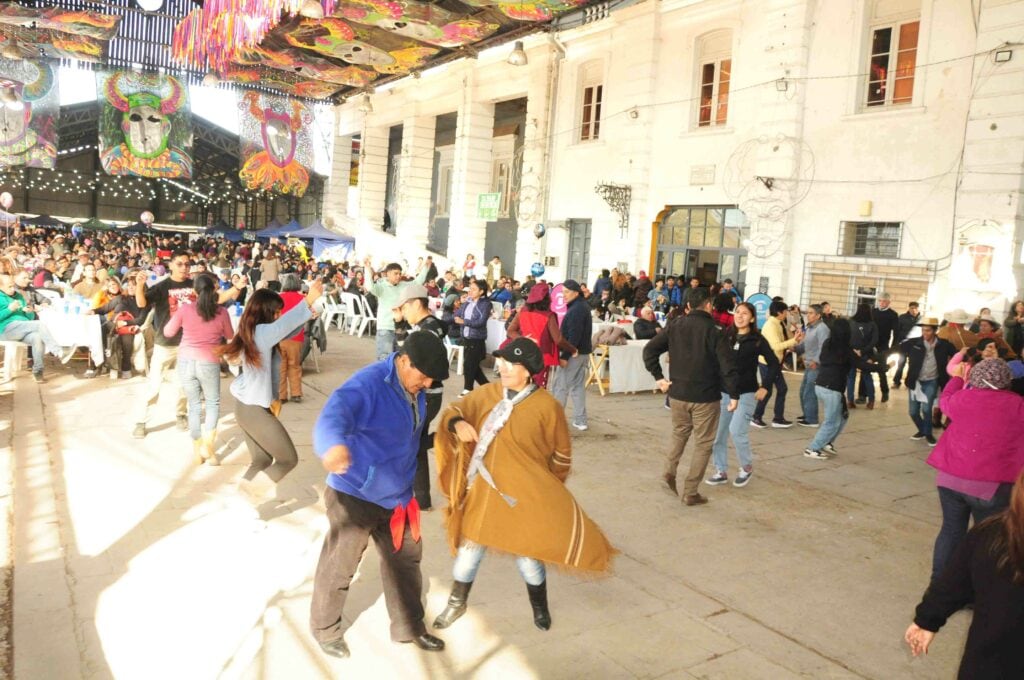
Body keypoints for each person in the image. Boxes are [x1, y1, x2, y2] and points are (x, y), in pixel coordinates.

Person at [432, 337, 615, 632]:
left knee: (528, 558)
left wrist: (544, 491)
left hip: (523, 496)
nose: (502, 367)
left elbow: (561, 456)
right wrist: (457, 424)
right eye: (502, 361)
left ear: (528, 371)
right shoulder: (489, 392)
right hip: (484, 492)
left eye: (510, 363)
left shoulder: (547, 407)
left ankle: (539, 607)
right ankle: (456, 603)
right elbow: (455, 408)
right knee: (469, 553)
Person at [309, 331, 449, 659]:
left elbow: (412, 434)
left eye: (433, 379)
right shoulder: (369, 384)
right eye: (424, 376)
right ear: (403, 361)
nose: (428, 384)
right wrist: (332, 445)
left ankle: (409, 627)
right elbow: (334, 415)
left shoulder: (417, 387)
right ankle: (325, 629)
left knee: (406, 562)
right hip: (354, 491)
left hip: (398, 493)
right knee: (340, 564)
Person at [905, 468, 1024, 676]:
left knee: (951, 531)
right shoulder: (992, 534)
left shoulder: (992, 532)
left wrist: (927, 620)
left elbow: (954, 581)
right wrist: (927, 619)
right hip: (992, 660)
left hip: (989, 662)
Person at [219, 280, 324, 501]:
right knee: (288, 459)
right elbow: (282, 327)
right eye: (276, 312)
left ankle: (240, 499)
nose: (278, 316)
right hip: (254, 411)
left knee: (262, 460)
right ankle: (249, 496)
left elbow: (283, 330)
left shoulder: (256, 332)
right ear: (267, 312)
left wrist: (308, 313)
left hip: (246, 408)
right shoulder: (262, 332)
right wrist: (309, 299)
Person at [924, 357, 1024, 581]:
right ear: (1007, 381)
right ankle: (978, 590)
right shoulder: (1017, 406)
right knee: (988, 539)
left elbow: (946, 398)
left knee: (950, 531)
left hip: (950, 480)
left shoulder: (962, 399)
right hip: (992, 486)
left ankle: (939, 585)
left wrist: (959, 377)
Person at [132, 251, 244, 438]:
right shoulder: (162, 286)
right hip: (164, 343)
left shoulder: (195, 285)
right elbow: (142, 303)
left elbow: (217, 300)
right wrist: (139, 285)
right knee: (153, 384)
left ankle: (181, 414)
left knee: (185, 384)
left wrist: (236, 288)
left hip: (187, 346)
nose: (184, 267)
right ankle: (141, 420)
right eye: (179, 264)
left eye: (186, 264)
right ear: (171, 265)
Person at [643, 287, 738, 506]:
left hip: (677, 394)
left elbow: (649, 351)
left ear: (687, 306)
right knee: (704, 444)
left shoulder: (675, 325)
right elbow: (728, 366)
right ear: (708, 305)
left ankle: (669, 472)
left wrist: (659, 378)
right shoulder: (716, 330)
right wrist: (734, 393)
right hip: (705, 397)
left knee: (679, 434)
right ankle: (691, 491)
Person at [162, 273, 233, 465]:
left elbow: (168, 332)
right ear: (214, 290)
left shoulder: (185, 309)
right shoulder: (222, 312)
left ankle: (197, 450)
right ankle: (209, 447)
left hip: (186, 360)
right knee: (212, 404)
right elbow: (229, 334)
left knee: (193, 406)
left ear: (194, 291)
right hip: (209, 361)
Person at [706, 302, 776, 488]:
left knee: (737, 430)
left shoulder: (757, 340)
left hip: (746, 393)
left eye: (745, 313)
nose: (740, 316)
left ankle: (746, 467)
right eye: (737, 312)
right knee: (717, 434)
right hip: (724, 392)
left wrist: (765, 387)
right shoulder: (725, 336)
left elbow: (774, 363)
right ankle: (720, 471)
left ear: (752, 318)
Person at [393, 284, 449, 511]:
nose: (403, 313)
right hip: (424, 394)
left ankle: (443, 439)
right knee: (414, 443)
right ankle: (421, 498)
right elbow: (401, 351)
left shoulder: (428, 331)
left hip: (426, 395)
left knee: (412, 442)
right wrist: (399, 324)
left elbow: (404, 357)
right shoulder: (424, 327)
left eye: (404, 308)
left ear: (417, 303)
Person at [804, 319, 878, 459]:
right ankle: (812, 449)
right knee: (831, 421)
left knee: (843, 416)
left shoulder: (828, 344)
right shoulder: (845, 350)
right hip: (831, 388)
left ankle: (827, 442)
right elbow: (862, 365)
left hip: (822, 385)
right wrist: (883, 367)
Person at [0, 272, 71, 383]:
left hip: (22, 327)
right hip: (6, 329)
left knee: (37, 337)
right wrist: (9, 309)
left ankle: (38, 371)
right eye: (9, 286)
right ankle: (59, 352)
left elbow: (29, 317)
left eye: (13, 285)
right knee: (39, 324)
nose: (13, 288)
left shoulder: (18, 296)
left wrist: (29, 312)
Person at [504, 282, 575, 388]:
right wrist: (572, 349)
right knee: (538, 389)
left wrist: (523, 339)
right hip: (542, 357)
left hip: (523, 355)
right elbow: (558, 339)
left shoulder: (522, 312)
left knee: (523, 386)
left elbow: (510, 331)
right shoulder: (548, 316)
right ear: (547, 298)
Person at [901, 317, 957, 446]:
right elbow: (895, 349)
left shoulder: (944, 344)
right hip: (915, 381)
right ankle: (923, 430)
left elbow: (958, 355)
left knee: (926, 409)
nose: (924, 333)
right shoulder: (913, 343)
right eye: (923, 330)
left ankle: (929, 434)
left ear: (935, 331)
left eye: (928, 331)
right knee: (913, 412)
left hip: (932, 380)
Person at [751, 301, 803, 428]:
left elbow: (783, 341)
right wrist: (793, 341)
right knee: (770, 390)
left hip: (773, 363)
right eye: (785, 312)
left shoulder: (777, 323)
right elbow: (775, 346)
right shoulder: (771, 325)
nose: (786, 314)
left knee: (778, 389)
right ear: (780, 312)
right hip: (767, 363)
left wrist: (793, 340)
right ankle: (760, 417)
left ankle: (774, 418)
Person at [551, 279, 592, 431]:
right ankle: (580, 420)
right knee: (577, 387)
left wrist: (565, 356)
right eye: (563, 293)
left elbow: (574, 337)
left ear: (576, 293)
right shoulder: (580, 306)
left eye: (567, 292)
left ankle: (555, 421)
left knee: (560, 386)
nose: (564, 295)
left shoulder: (577, 310)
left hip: (575, 354)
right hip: (581, 353)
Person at [366, 262, 428, 361]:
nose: (399, 276)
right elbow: (370, 287)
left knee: (400, 359)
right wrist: (367, 268)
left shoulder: (404, 286)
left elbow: (417, 282)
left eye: (400, 273)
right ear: (388, 273)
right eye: (396, 273)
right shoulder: (381, 287)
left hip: (401, 328)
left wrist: (426, 267)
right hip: (386, 328)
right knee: (384, 359)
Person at [794, 303, 830, 427]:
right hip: (808, 364)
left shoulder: (822, 328)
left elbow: (823, 347)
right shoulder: (810, 327)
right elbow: (805, 344)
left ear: (818, 315)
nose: (807, 315)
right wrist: (795, 348)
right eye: (807, 313)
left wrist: (816, 361)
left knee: (809, 391)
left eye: (811, 313)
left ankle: (812, 419)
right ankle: (807, 414)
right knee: (803, 390)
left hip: (816, 365)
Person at [453, 278, 491, 395]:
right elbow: (457, 315)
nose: (470, 291)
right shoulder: (468, 302)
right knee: (473, 367)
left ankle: (468, 389)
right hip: (466, 337)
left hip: (476, 339)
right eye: (470, 289)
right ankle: (489, 389)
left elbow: (481, 322)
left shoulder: (486, 304)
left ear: (481, 291)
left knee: (469, 365)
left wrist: (464, 322)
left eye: (474, 289)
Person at [277, 275, 306, 403]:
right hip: (296, 337)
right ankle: (296, 394)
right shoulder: (303, 299)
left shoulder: (278, 298)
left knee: (280, 367)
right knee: (294, 366)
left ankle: (281, 395)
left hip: (279, 337)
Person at [847, 303, 879, 408]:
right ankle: (871, 401)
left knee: (851, 377)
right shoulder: (872, 324)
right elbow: (874, 341)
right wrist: (863, 351)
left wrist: (854, 350)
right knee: (867, 377)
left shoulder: (851, 321)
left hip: (851, 353)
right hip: (866, 354)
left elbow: (846, 337)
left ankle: (850, 401)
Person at [871, 293, 898, 403]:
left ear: (888, 302)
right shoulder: (873, 312)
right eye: (880, 301)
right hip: (870, 345)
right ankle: (863, 395)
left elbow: (896, 332)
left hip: (883, 346)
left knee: (881, 370)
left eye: (884, 301)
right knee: (865, 369)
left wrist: (893, 347)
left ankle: (885, 392)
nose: (882, 303)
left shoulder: (892, 314)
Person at [892, 301, 921, 388]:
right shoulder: (902, 317)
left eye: (915, 308)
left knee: (913, 365)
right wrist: (896, 344)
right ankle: (896, 382)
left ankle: (909, 383)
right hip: (904, 345)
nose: (913, 310)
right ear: (909, 308)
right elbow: (897, 331)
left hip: (916, 346)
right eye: (912, 308)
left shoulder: (921, 319)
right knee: (901, 363)